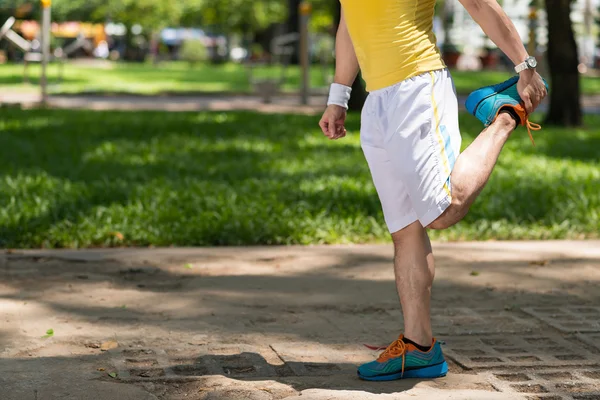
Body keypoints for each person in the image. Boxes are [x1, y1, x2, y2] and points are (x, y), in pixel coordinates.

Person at [318, 0, 548, 381]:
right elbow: (349, 22)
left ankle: (505, 116)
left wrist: (524, 66)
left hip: (417, 89)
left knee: (443, 209)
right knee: (405, 227)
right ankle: (419, 347)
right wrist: (339, 96)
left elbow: (478, 3)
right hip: (377, 101)